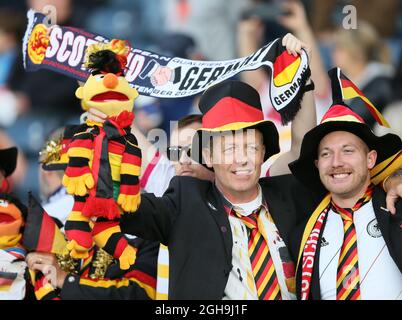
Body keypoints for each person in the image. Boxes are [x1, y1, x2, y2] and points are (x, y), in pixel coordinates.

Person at [288, 96, 402, 300]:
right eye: (326, 154)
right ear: (317, 165)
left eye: (348, 151)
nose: (336, 162)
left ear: (370, 159)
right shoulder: (301, 236)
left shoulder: (398, 207)